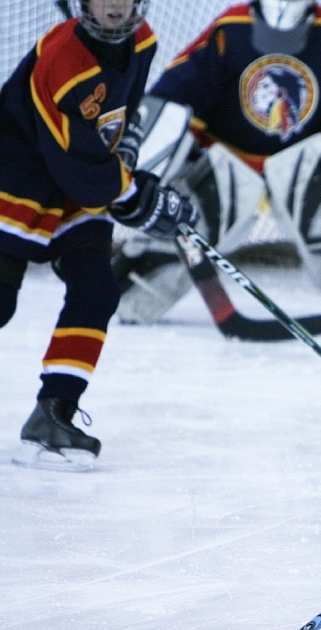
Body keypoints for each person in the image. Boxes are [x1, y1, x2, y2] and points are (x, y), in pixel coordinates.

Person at [115, 0, 321, 330]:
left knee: (306, 167)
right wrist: (152, 164)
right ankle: (141, 279)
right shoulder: (231, 29)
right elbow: (171, 103)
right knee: (131, 299)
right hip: (227, 165)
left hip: (305, 167)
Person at [0, 0, 198, 472]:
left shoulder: (143, 42)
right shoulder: (62, 62)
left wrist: (126, 152)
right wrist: (136, 196)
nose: (113, 5)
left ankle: (54, 414)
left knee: (96, 290)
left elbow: (117, 119)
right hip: (17, 179)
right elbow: (79, 160)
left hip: (73, 187)